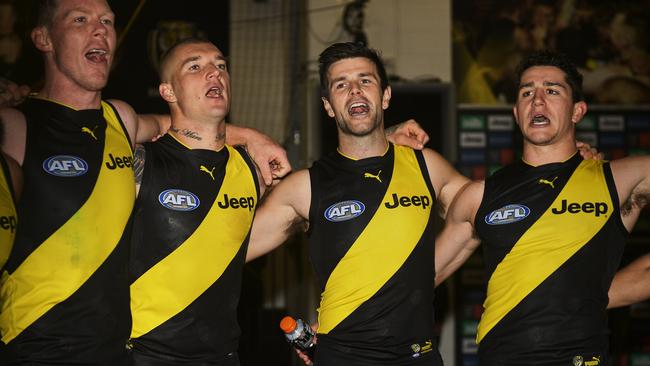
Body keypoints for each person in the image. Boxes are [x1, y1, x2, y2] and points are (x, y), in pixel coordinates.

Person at [0, 0, 290, 363]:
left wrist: (249, 136)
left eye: (107, 20)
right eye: (80, 19)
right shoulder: (15, 125)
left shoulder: (122, 121)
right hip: (34, 347)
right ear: (43, 38)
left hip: (115, 351)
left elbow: (184, 125)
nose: (100, 29)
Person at [246, 41, 471, 365]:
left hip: (417, 356)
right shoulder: (305, 186)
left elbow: (483, 214)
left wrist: (568, 161)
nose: (354, 90)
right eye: (341, 84)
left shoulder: (427, 167)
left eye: (365, 80)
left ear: (386, 95)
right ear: (327, 104)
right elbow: (227, 249)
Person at [435, 50, 650, 365]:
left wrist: (597, 293)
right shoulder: (479, 196)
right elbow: (414, 279)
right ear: (515, 111)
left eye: (551, 90)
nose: (537, 100)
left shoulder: (622, 179)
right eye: (526, 92)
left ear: (578, 110)